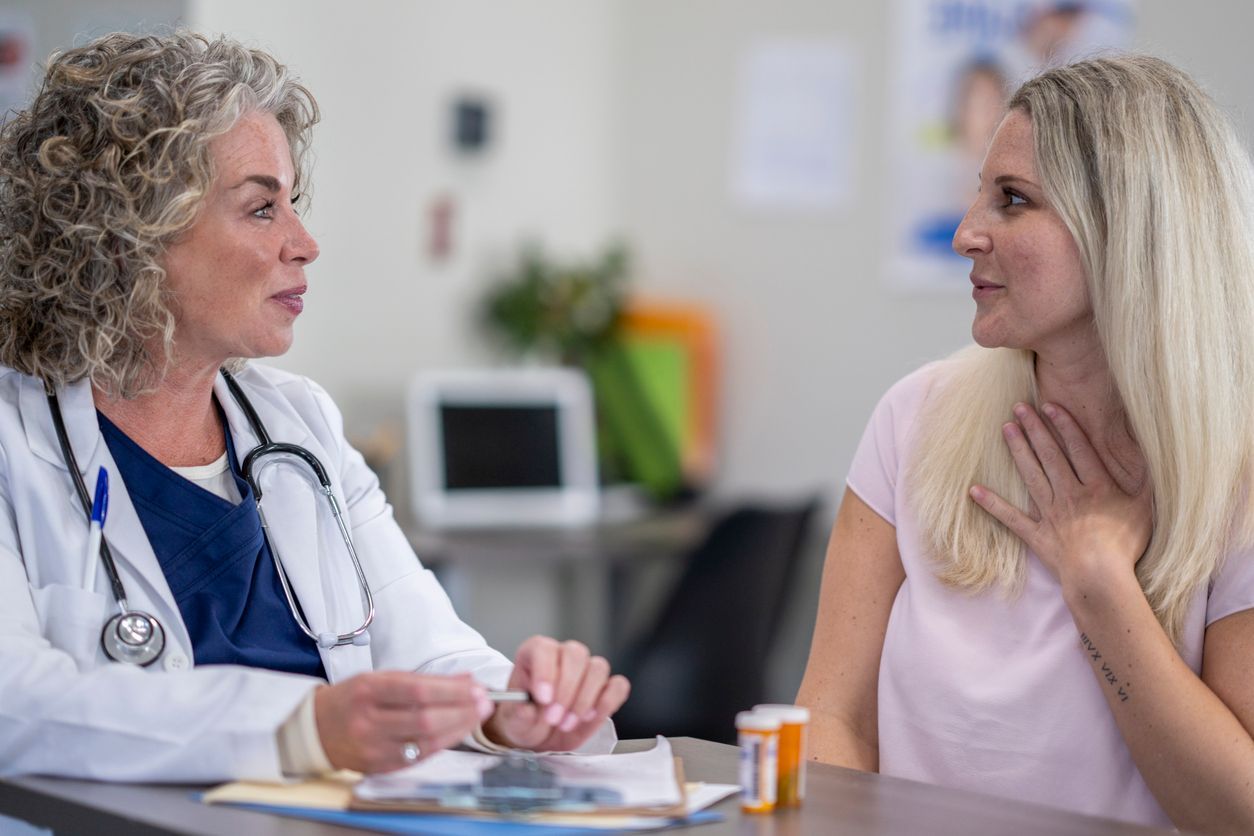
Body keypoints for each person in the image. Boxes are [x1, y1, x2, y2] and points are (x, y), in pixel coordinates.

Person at [0, 31, 628, 782]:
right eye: (262, 209)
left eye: (291, 204)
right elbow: (16, 704)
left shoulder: (300, 426)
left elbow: (433, 654)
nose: (305, 243)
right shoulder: (16, 439)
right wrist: (299, 733)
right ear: (129, 235)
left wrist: (506, 710)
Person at [797, 54, 1254, 832]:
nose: (966, 233)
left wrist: (1101, 586)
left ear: (1128, 231)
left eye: (1012, 200)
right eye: (980, 194)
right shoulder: (914, 418)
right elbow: (833, 721)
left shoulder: (1236, 475)